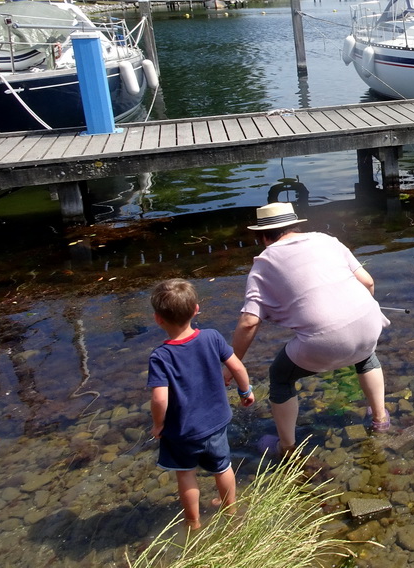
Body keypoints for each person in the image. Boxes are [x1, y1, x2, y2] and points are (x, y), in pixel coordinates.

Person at [232, 202, 391, 456]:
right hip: (370, 321)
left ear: (263, 236)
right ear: (295, 225)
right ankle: (380, 419)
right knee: (365, 354)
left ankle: (286, 447)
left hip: (324, 341)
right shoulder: (327, 240)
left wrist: (233, 363)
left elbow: (250, 322)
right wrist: (361, 317)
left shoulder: (264, 262)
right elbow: (368, 282)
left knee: (281, 376)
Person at [147, 278, 255, 530]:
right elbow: (237, 365)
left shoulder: (161, 356)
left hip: (182, 431)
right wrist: (245, 390)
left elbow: (159, 398)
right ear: (196, 309)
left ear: (158, 319)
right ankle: (231, 510)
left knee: (185, 474)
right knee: (223, 467)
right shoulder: (212, 337)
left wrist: (158, 425)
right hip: (216, 423)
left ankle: (193, 522)